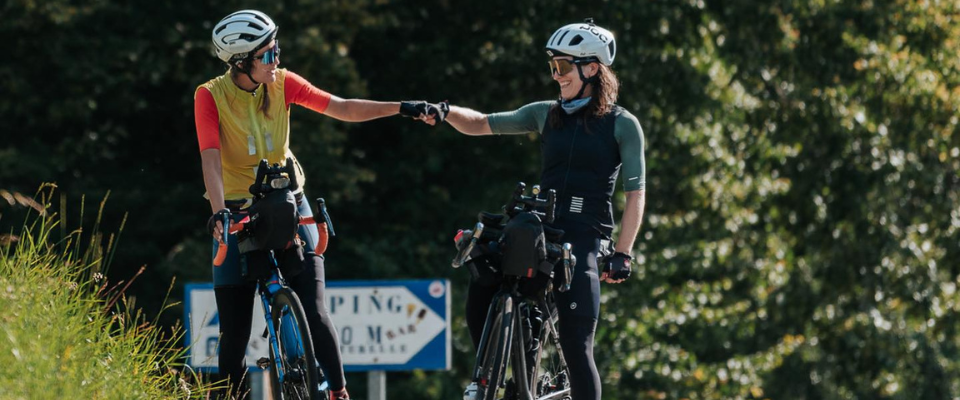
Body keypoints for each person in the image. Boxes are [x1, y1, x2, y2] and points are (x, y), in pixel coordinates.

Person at [195, 10, 443, 400]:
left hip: (288, 198)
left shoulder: (282, 83)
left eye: (277, 49)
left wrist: (402, 107)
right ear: (242, 63)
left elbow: (341, 107)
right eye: (268, 54)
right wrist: (218, 212)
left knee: (313, 304)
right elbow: (210, 156)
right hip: (236, 210)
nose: (277, 59)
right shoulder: (209, 95)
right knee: (234, 334)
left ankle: (338, 391)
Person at [424, 19, 645, 400]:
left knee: (577, 346)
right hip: (540, 224)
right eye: (553, 67)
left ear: (592, 68)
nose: (556, 76)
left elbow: (636, 194)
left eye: (562, 67)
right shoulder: (546, 113)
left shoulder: (622, 124)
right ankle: (490, 377)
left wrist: (622, 252)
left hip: (584, 234)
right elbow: (480, 123)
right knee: (483, 270)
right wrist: (445, 111)